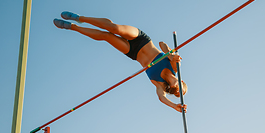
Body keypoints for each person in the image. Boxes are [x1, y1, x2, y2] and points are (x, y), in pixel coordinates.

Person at [53, 12, 187, 112]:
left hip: (133, 52)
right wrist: (171, 53)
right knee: (114, 28)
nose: (177, 90)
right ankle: (79, 18)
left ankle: (73, 27)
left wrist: (174, 106)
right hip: (142, 40)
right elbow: (161, 44)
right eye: (181, 89)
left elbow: (161, 98)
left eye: (177, 93)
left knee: (106, 36)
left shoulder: (160, 85)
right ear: (181, 82)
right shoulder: (175, 65)